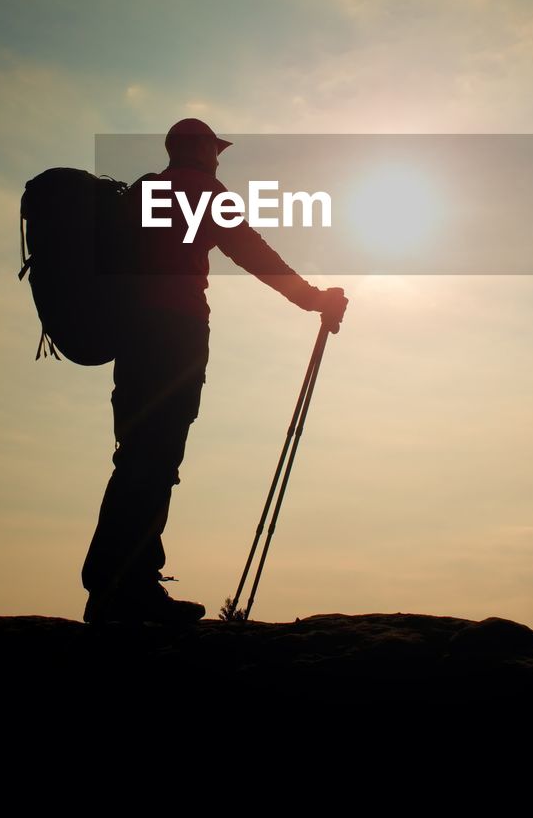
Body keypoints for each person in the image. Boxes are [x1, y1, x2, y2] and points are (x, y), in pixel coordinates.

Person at [81, 118, 347, 625]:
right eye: (215, 151)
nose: (218, 159)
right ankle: (131, 592)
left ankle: (109, 587)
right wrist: (312, 299)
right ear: (202, 151)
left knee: (136, 456)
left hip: (133, 339)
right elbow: (251, 251)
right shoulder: (201, 190)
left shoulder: (143, 192)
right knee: (156, 459)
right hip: (175, 335)